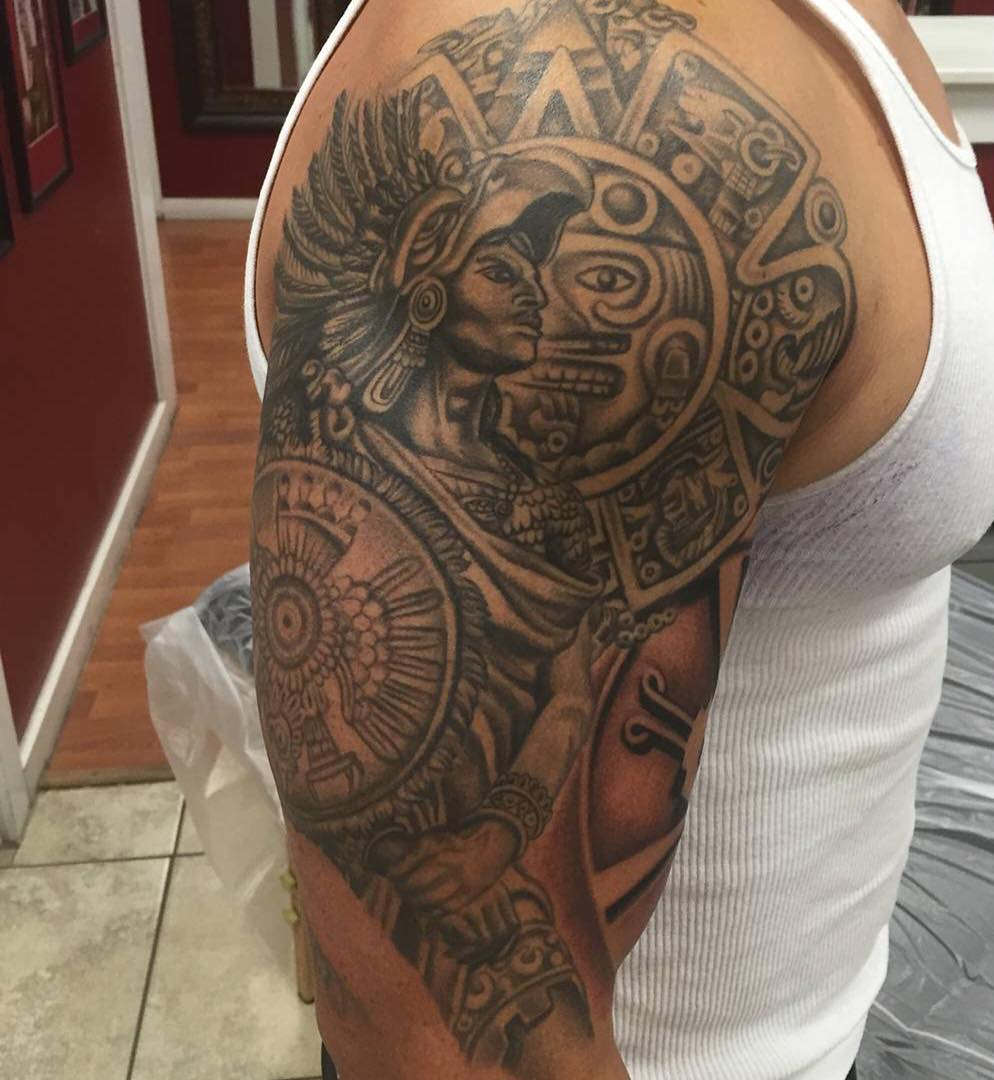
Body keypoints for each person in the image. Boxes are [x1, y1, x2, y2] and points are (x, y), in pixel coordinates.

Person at [246, 1, 994, 1077]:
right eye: (505, 268)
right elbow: (434, 1047)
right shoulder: (553, 71)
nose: (539, 294)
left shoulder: (519, 482)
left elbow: (558, 687)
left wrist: (499, 827)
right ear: (427, 287)